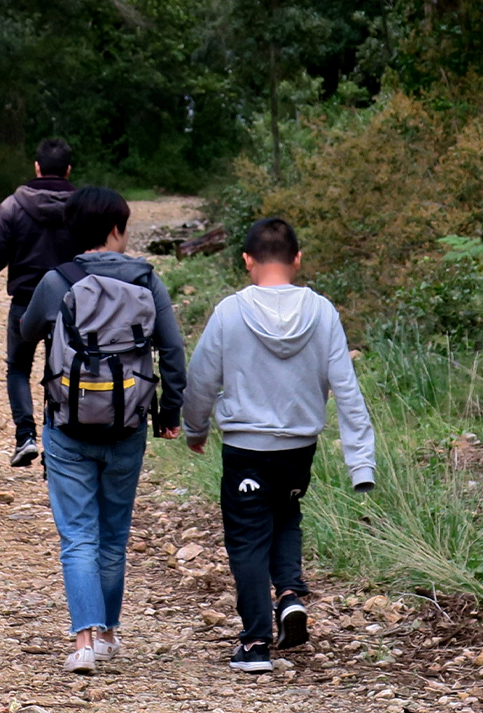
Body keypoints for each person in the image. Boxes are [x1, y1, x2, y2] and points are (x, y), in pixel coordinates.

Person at [180, 217, 377, 674]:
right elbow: (346, 388)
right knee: (286, 514)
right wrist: (360, 462)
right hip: (299, 448)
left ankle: (255, 644)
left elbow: (201, 379)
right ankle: (289, 595)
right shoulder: (322, 312)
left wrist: (195, 429)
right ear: (298, 259)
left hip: (246, 447)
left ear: (247, 260)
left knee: (248, 538)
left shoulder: (230, 312)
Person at [19, 187, 186, 674]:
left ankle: (84, 642)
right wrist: (169, 413)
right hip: (127, 424)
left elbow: (27, 332)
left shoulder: (57, 281)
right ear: (116, 229)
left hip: (67, 424)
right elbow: (172, 350)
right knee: (113, 535)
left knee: (78, 537)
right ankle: (110, 633)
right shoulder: (146, 279)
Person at [0, 138, 78, 467]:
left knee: (18, 368)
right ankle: (57, 442)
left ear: (36, 167)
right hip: (71, 305)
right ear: (68, 170)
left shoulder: (13, 206)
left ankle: (25, 436)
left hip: (26, 302)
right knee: (62, 370)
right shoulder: (80, 207)